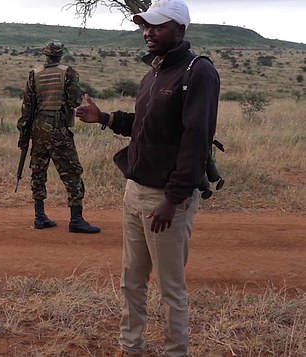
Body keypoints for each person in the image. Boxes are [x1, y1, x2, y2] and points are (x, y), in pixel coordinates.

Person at [75, 0, 220, 356]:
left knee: (171, 288)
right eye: (145, 26)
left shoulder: (197, 73)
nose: (148, 32)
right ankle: (131, 347)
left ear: (180, 30)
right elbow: (143, 127)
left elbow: (195, 141)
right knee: (131, 281)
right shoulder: (154, 72)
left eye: (157, 26)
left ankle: (175, 351)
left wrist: (173, 199)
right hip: (135, 190)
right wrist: (104, 118)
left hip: (166, 200)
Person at [17, 40, 101, 234]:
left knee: (38, 170)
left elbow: (27, 107)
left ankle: (39, 217)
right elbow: (74, 101)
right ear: (61, 54)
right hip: (58, 128)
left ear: (45, 54)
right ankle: (76, 219)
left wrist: (24, 133)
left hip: (37, 128)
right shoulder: (68, 73)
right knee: (72, 171)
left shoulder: (34, 74)